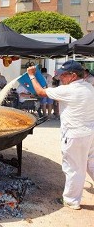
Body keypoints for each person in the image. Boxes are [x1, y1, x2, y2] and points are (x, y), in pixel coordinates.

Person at [27, 60, 94, 210]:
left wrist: (31, 76)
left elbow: (41, 92)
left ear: (73, 75)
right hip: (90, 132)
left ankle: (71, 200)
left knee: (74, 168)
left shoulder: (69, 90)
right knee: (91, 163)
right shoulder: (88, 86)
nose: (60, 78)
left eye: (63, 75)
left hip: (75, 135)